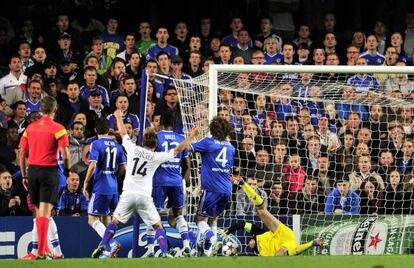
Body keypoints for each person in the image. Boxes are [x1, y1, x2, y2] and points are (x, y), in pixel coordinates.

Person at [92, 109, 198, 258]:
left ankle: (103, 244)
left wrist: (117, 117)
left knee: (114, 222)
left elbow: (123, 133)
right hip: (144, 197)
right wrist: (191, 137)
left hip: (128, 195)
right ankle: (165, 252)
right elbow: (178, 150)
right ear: (155, 145)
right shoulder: (155, 156)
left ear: (142, 142)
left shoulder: (133, 149)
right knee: (158, 226)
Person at [18, 96, 71, 259]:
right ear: (55, 109)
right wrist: (67, 171)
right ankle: (41, 252)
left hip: (32, 171)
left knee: (38, 212)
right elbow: (66, 154)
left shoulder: (30, 128)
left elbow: (22, 153)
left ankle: (43, 251)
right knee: (45, 213)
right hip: (49, 172)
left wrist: (24, 175)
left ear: (41, 109)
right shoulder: (59, 128)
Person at [223, 175, 323, 256]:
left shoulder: (259, 241)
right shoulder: (260, 244)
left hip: (279, 235)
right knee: (281, 254)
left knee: (261, 211)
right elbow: (296, 250)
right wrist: (312, 243)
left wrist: (227, 232)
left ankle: (242, 184)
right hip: (286, 239)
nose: (250, 243)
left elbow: (243, 224)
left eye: (250, 242)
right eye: (250, 243)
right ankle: (313, 243)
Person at [146, 111, 192, 256]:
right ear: (174, 124)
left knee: (153, 215)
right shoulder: (181, 138)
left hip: (160, 181)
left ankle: (151, 250)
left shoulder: (156, 137)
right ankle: (186, 246)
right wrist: (183, 180)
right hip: (177, 181)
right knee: (178, 214)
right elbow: (187, 164)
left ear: (160, 122)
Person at [190, 116, 235, 256]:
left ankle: (213, 238)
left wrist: (192, 136)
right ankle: (208, 252)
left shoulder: (208, 142)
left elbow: (189, 148)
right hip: (227, 190)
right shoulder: (231, 147)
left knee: (200, 220)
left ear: (212, 129)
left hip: (211, 190)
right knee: (212, 219)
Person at [82, 117, 126, 258]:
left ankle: (112, 243)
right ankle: (108, 251)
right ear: (108, 130)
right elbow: (124, 168)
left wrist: (86, 182)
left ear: (96, 130)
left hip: (101, 186)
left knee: (92, 219)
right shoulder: (117, 145)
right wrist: (114, 176)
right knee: (107, 218)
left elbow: (93, 164)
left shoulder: (96, 144)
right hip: (113, 187)